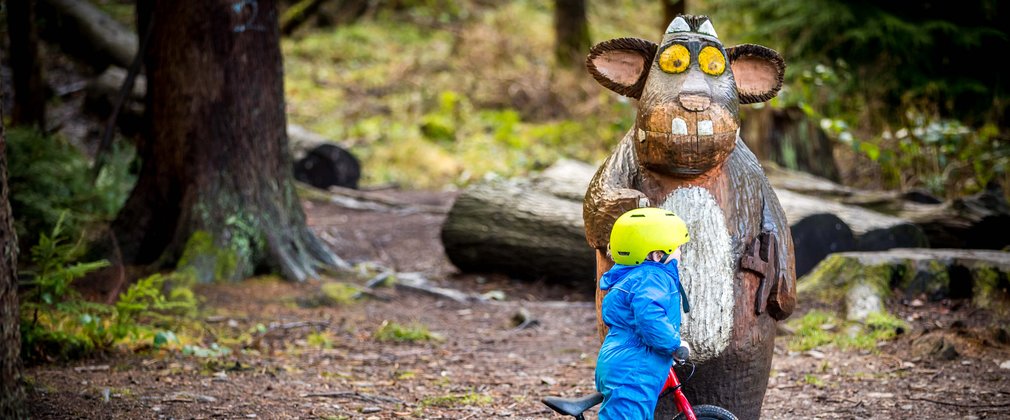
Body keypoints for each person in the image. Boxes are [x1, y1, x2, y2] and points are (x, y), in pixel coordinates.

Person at [595, 207, 690, 419]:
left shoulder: (633, 275)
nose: (680, 253)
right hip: (634, 369)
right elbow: (650, 317)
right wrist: (674, 345)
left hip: (627, 362)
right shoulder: (651, 277)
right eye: (676, 248)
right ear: (657, 254)